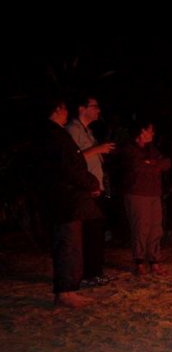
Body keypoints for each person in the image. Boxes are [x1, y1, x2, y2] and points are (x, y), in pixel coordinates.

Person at [34, 96, 101, 307]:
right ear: (57, 110)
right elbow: (70, 168)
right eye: (63, 109)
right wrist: (91, 182)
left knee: (70, 244)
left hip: (64, 198)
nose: (66, 113)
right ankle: (65, 291)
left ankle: (68, 288)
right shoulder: (55, 136)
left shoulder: (52, 135)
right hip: (66, 200)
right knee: (68, 244)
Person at [66, 94, 115, 286]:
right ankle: (88, 274)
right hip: (85, 190)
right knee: (90, 232)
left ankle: (95, 272)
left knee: (97, 231)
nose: (98, 110)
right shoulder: (72, 130)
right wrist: (97, 149)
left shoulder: (87, 131)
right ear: (82, 108)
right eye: (94, 106)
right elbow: (73, 161)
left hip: (95, 187)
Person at [120, 119, 171, 275]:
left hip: (154, 193)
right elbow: (137, 167)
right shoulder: (129, 149)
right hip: (137, 193)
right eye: (150, 130)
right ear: (141, 132)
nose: (153, 133)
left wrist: (151, 163)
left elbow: (167, 163)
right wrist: (152, 165)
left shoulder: (151, 149)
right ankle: (139, 262)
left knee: (156, 228)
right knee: (141, 228)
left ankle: (154, 261)